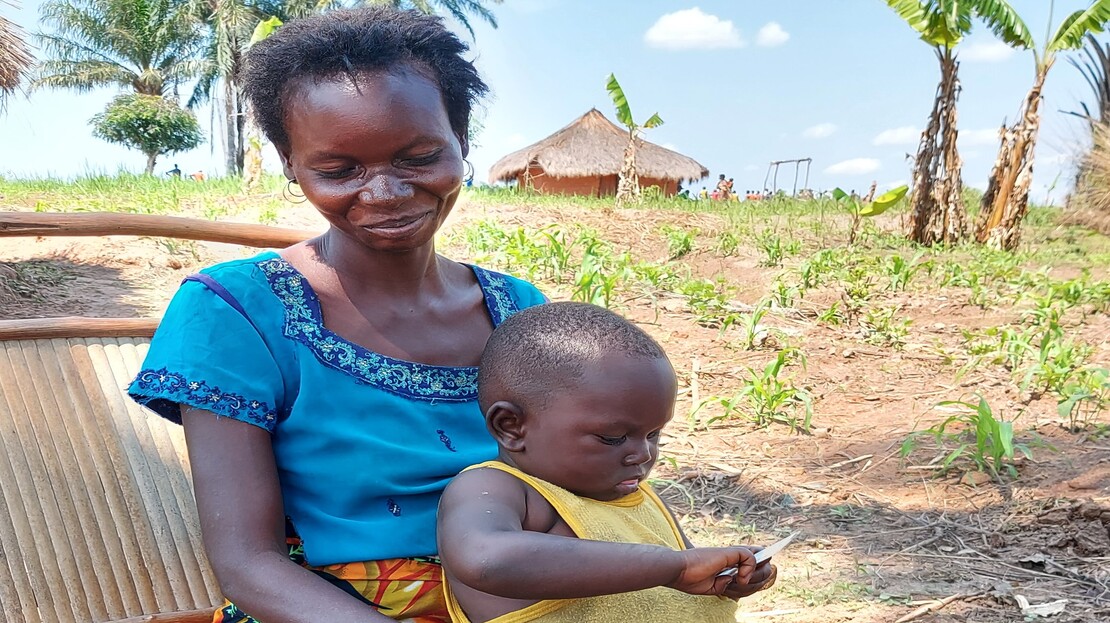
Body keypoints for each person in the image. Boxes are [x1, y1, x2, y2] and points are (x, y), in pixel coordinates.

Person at [127, 8, 546, 623]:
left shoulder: (520, 311)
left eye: (418, 157)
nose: (384, 192)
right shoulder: (236, 311)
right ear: (290, 162)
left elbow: (583, 483)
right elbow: (248, 563)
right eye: (338, 170)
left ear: (462, 140)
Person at [438, 302, 778, 623]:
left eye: (653, 434)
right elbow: (484, 558)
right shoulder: (496, 489)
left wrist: (728, 577)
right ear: (511, 427)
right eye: (612, 438)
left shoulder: (640, 501)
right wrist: (672, 568)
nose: (643, 454)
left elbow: (683, 579)